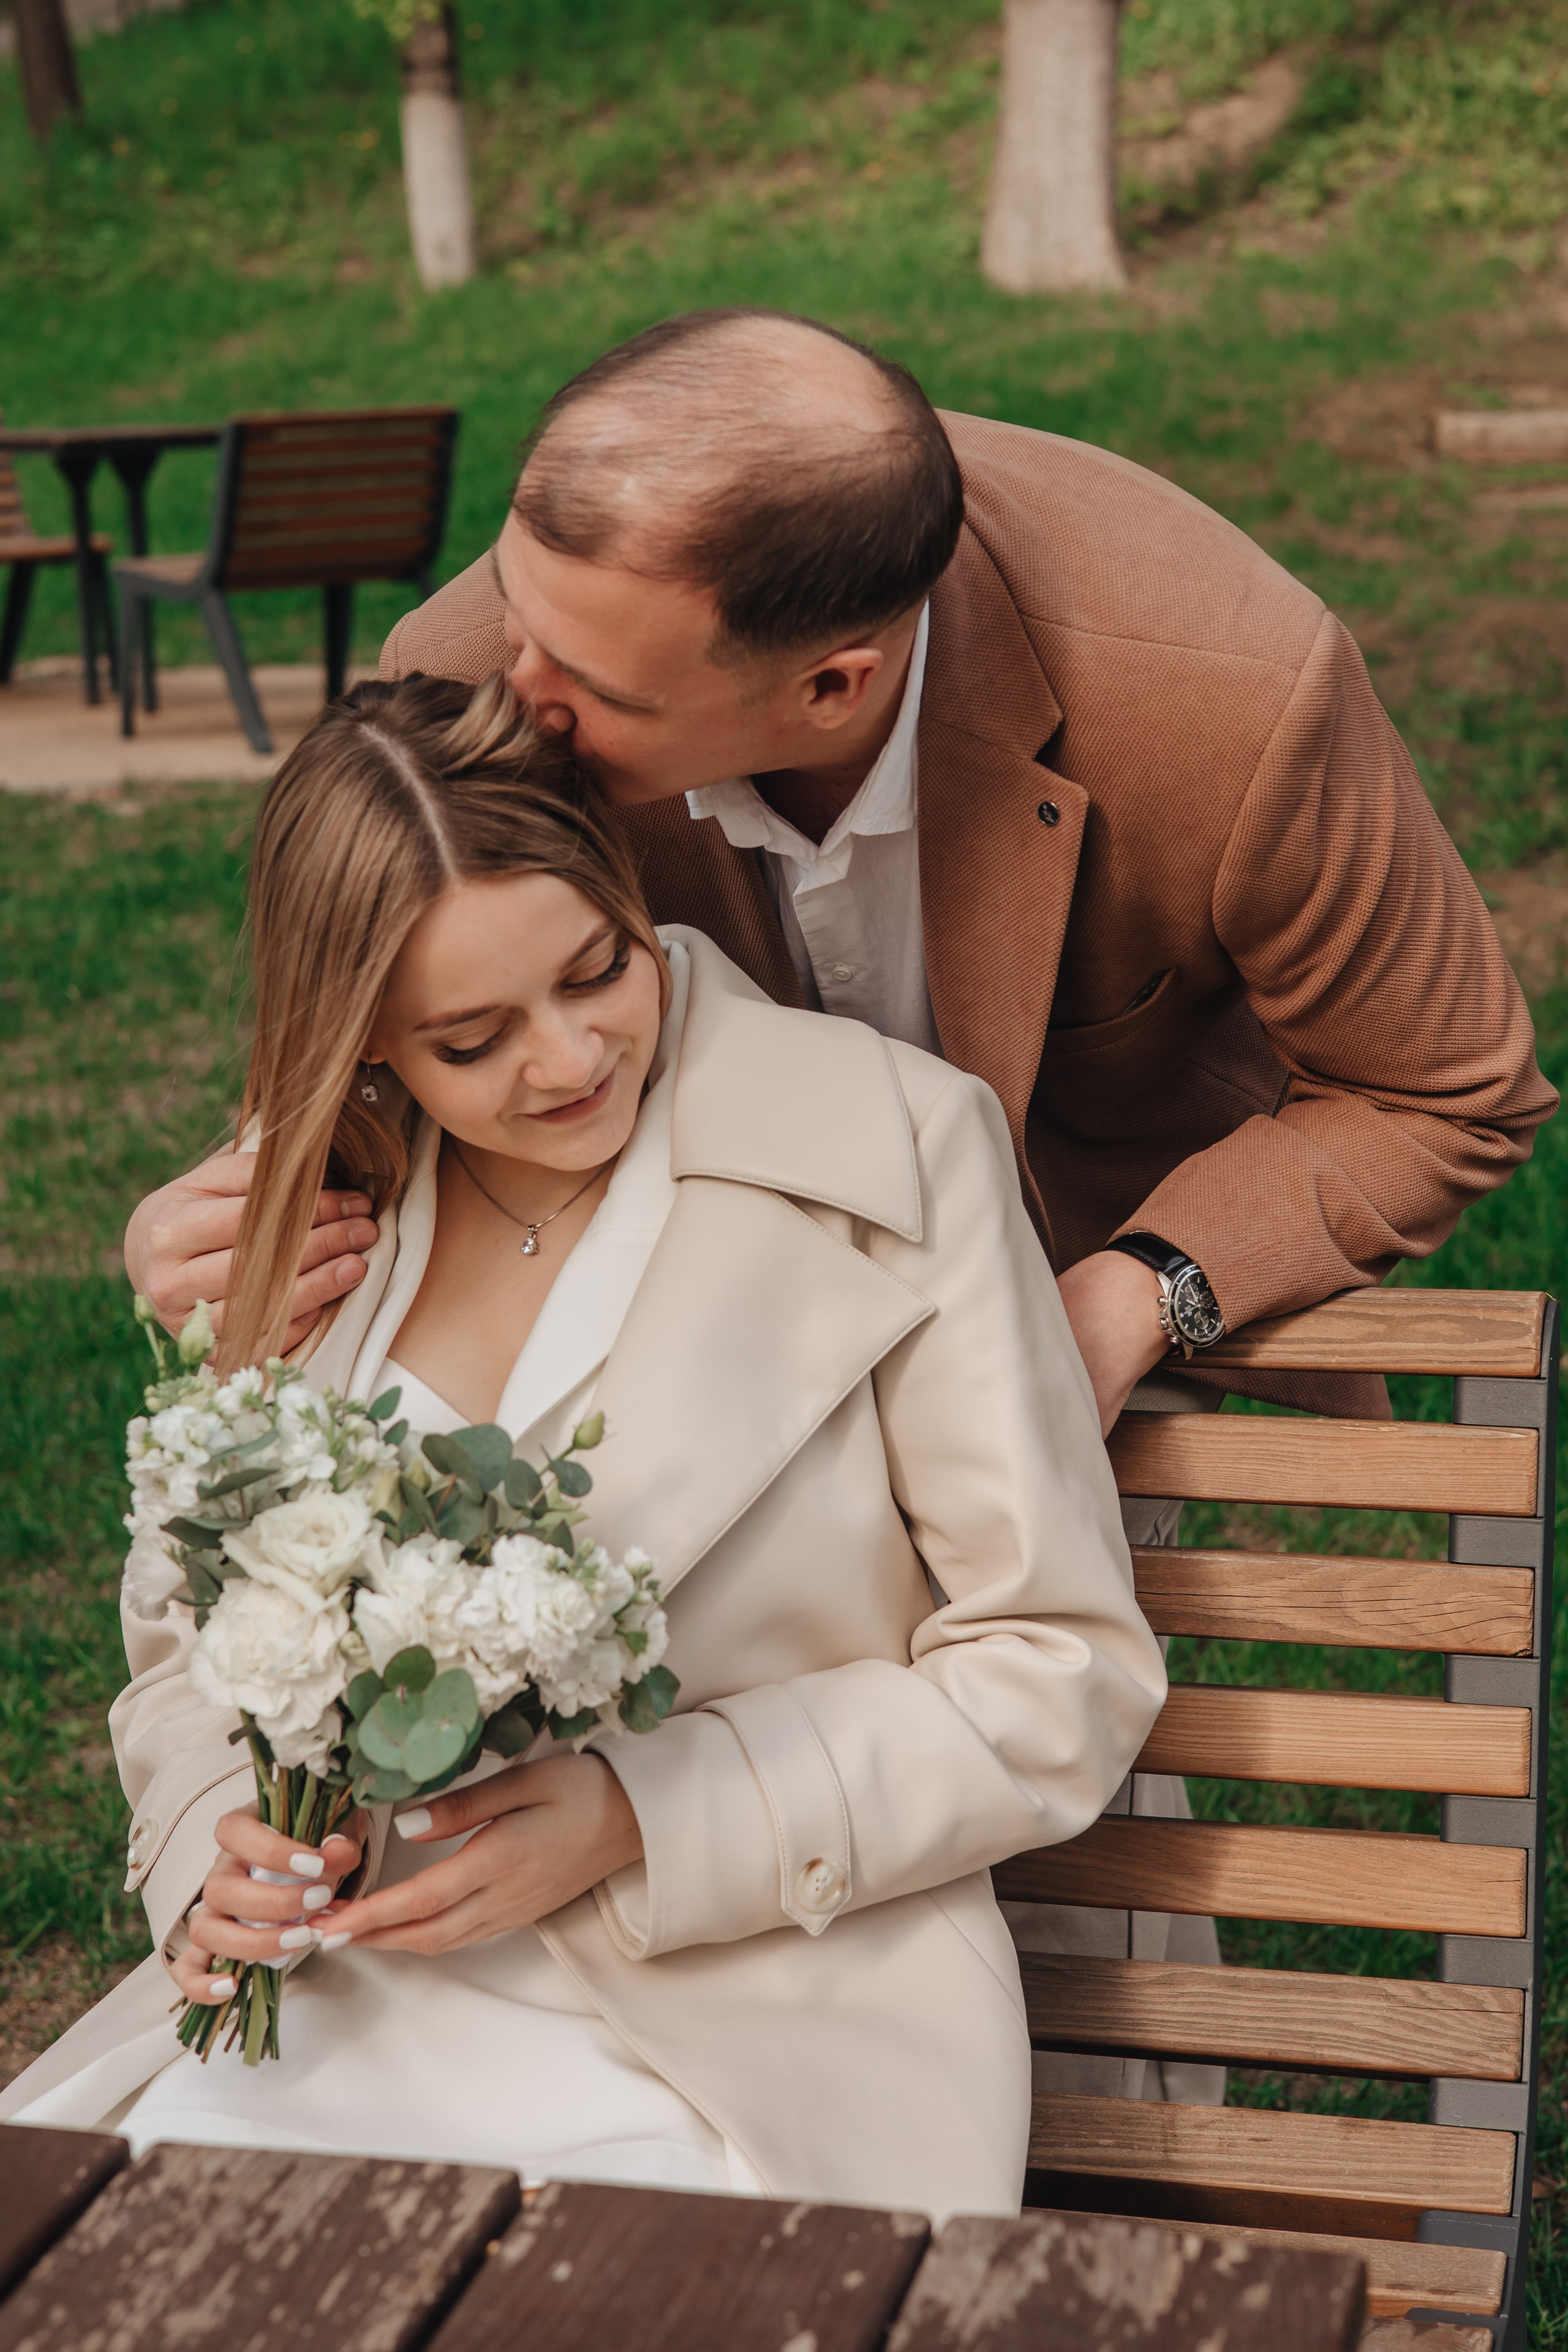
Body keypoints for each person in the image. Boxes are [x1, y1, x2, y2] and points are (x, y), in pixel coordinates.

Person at [122, 308, 1556, 2106]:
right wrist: (228, 1225)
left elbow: (1448, 1086)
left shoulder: (1222, 690)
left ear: (837, 684)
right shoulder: (525, 649)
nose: (514, 695)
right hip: (656, 1332)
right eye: (517, 618)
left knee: (1027, 1869)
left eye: (591, 696)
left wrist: (1120, 1302)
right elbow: (414, 961)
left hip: (1036, 1246)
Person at [2, 675, 1166, 2220]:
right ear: (366, 1042)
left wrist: (642, 1818)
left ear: (628, 892)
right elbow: (186, 1649)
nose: (564, 1062)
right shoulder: (312, 1210)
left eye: (596, 970)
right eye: (471, 1040)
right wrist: (212, 1855)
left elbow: (1054, 1670)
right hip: (336, 1991)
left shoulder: (890, 1145)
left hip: (741, 2018)